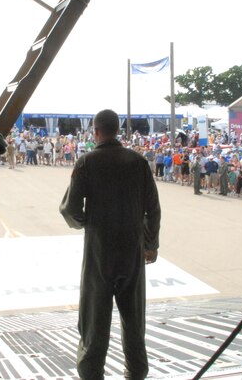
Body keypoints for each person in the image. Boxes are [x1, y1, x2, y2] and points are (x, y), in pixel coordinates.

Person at [59, 109, 161, 380]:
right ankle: (136, 373)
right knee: (134, 321)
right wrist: (151, 243)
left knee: (94, 322)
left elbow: (69, 209)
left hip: (99, 253)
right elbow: (153, 208)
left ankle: (92, 374)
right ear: (118, 130)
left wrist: (85, 223)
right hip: (132, 252)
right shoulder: (138, 162)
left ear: (96, 131)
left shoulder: (86, 163)